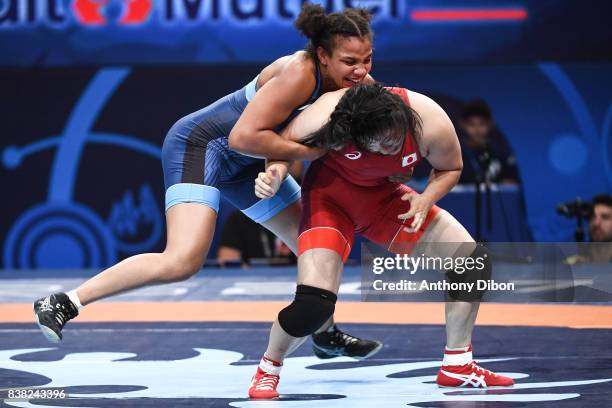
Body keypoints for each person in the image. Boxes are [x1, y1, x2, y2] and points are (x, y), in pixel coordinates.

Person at [33, 4, 388, 360]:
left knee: (317, 246)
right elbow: (242, 138)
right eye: (349, 61)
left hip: (250, 162)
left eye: (367, 60)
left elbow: (281, 135)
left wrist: (279, 168)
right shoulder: (298, 73)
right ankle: (65, 302)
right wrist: (302, 155)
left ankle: (325, 334)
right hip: (202, 146)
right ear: (323, 55)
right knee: (182, 261)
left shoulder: (358, 87)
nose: (360, 71)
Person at [247, 84, 514, 399]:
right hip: (329, 202)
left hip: (384, 201)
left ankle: (457, 365)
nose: (390, 150)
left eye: (394, 141)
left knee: (471, 263)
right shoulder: (327, 114)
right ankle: (268, 368)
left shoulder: (428, 119)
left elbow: (450, 167)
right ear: (353, 133)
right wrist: (275, 174)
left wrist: (426, 198)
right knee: (313, 307)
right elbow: (279, 146)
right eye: (379, 146)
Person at [458, 99, 520, 185]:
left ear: (490, 124)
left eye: (482, 124)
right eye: (471, 124)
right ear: (463, 125)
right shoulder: (454, 155)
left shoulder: (502, 154)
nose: (477, 129)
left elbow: (511, 187)